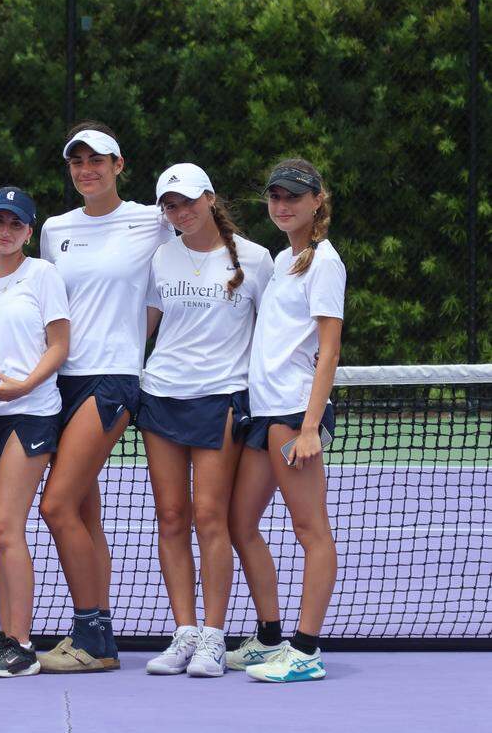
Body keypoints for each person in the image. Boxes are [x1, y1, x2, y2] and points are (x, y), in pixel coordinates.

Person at [36, 123, 174, 673]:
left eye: (98, 160)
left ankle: (92, 635)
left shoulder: (153, 221)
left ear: (120, 164)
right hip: (58, 381)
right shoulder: (52, 229)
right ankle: (99, 631)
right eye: (77, 162)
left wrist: (127, 348)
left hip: (113, 380)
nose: (86, 169)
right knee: (85, 510)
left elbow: (166, 293)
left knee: (56, 505)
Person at [137, 163, 273, 677]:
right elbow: (146, 328)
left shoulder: (257, 260)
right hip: (161, 396)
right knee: (171, 518)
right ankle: (185, 632)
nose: (180, 212)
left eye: (188, 201)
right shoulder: (160, 258)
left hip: (221, 400)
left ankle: (214, 637)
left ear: (210, 198)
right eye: (170, 205)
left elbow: (277, 329)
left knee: (210, 516)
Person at [226, 159, 345, 683]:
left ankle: (307, 649)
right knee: (239, 522)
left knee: (310, 529)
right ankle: (270, 636)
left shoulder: (324, 262)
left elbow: (329, 349)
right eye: (275, 196)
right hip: (264, 412)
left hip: (295, 413)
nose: (282, 205)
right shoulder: (283, 259)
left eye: (293, 196)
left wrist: (310, 427)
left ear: (318, 199)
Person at [0, 187, 69, 678]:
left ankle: (22, 647)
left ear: (29, 230)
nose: (5, 231)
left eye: (15, 224)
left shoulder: (43, 275)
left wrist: (22, 385)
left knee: (8, 528)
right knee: (0, 533)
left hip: (31, 412)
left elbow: (59, 346)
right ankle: (7, 636)